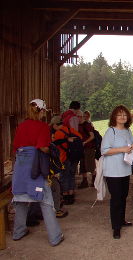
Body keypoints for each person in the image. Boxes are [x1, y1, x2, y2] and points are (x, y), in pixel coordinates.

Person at [12, 99, 64, 246]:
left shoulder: (21, 126)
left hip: (20, 166)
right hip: (35, 165)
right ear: (41, 111)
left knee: (20, 199)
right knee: (46, 200)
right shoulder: (42, 126)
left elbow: (15, 147)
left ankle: (18, 232)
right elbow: (42, 147)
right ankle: (55, 237)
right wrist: (51, 150)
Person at [101, 105, 133, 239]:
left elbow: (131, 145)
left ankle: (122, 220)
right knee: (116, 199)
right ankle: (116, 227)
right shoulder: (111, 131)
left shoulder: (128, 131)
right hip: (113, 171)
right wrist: (122, 149)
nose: (122, 117)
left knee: (123, 196)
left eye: (125, 115)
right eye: (119, 115)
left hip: (125, 169)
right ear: (114, 117)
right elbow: (104, 150)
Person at [53, 116, 82, 205]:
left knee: (64, 177)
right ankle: (71, 194)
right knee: (71, 176)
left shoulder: (58, 133)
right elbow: (80, 137)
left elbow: (55, 145)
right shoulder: (70, 129)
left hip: (64, 158)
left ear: (55, 124)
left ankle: (65, 196)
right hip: (74, 157)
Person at [49, 115, 69, 218]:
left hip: (52, 164)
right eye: (59, 124)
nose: (61, 126)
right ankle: (56, 209)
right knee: (55, 186)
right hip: (50, 166)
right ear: (55, 125)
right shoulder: (51, 134)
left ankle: (55, 207)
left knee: (55, 186)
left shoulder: (53, 132)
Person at [77, 110, 96, 188]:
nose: (78, 118)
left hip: (89, 148)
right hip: (81, 148)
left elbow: (92, 136)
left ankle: (94, 181)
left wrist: (85, 142)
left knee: (91, 166)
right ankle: (84, 182)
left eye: (79, 116)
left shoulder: (87, 125)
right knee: (83, 166)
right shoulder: (78, 125)